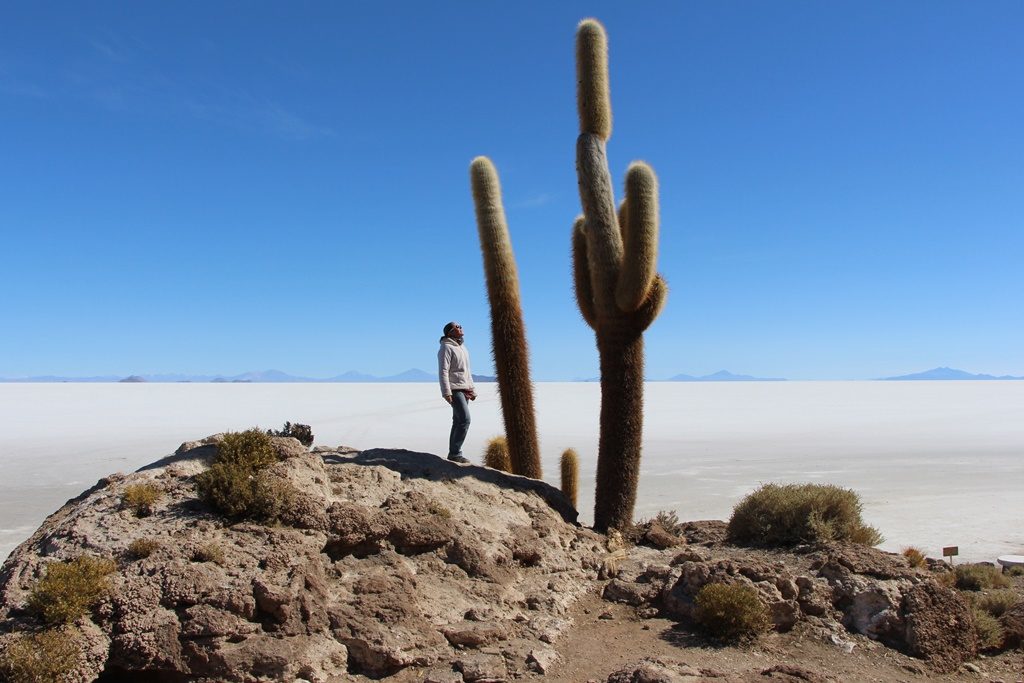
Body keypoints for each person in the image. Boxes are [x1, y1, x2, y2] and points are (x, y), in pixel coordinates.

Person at [438, 321, 476, 463]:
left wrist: (472, 389)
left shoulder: (462, 348)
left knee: (458, 420)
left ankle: (453, 454)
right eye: (457, 327)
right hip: (454, 388)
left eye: (461, 326)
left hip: (464, 388)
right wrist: (446, 392)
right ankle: (455, 453)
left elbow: (467, 371)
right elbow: (443, 371)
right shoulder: (446, 347)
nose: (460, 328)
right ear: (450, 332)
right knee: (465, 420)